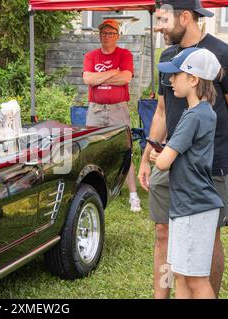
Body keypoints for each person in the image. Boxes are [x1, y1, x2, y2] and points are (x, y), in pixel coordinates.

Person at [138, 0, 228, 299]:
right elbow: (161, 111)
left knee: (207, 239)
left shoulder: (224, 56)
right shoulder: (168, 57)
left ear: (185, 17)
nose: (158, 26)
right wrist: (146, 158)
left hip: (211, 166)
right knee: (163, 234)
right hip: (168, 161)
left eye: (163, 20)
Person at [155, 47, 224, 299]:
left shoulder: (193, 116)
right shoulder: (205, 112)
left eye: (176, 75)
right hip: (188, 205)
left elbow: (163, 162)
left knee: (196, 281)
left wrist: (156, 155)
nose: (170, 81)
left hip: (193, 209)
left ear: (193, 79)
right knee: (181, 275)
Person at [83, 19, 142, 213]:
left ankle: (134, 195)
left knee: (125, 150)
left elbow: (125, 78)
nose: (106, 37)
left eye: (110, 33)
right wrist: (112, 72)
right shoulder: (91, 55)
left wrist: (99, 78)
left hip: (118, 109)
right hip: (96, 109)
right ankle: (93, 190)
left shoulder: (124, 54)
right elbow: (87, 79)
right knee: (93, 150)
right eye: (103, 33)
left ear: (117, 36)